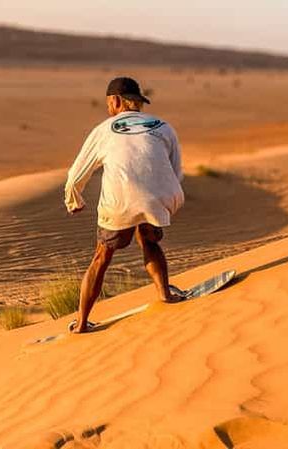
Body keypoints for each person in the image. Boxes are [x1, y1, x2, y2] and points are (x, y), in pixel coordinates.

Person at [64, 76, 185, 333]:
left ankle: (82, 323)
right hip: (163, 197)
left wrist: (74, 199)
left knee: (102, 256)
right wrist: (162, 198)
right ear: (138, 103)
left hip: (119, 202)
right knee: (149, 238)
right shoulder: (164, 127)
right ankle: (166, 294)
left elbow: (76, 175)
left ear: (115, 101)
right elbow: (176, 172)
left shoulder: (104, 129)